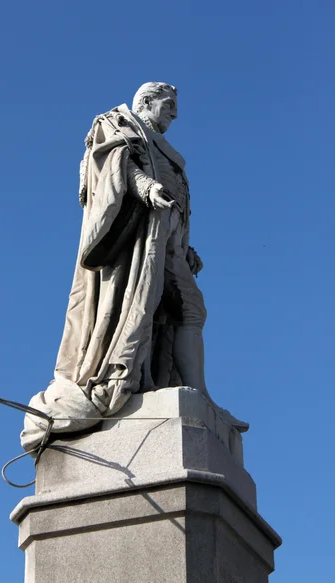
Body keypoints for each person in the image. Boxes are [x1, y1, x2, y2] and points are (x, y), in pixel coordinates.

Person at [22, 82, 235, 452]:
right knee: (142, 308)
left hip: (167, 240)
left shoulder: (169, 152)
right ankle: (128, 380)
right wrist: (147, 189)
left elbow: (177, 202)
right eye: (168, 105)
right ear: (146, 102)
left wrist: (186, 247)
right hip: (136, 242)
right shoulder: (117, 123)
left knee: (189, 310)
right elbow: (114, 166)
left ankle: (198, 393)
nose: (175, 113)